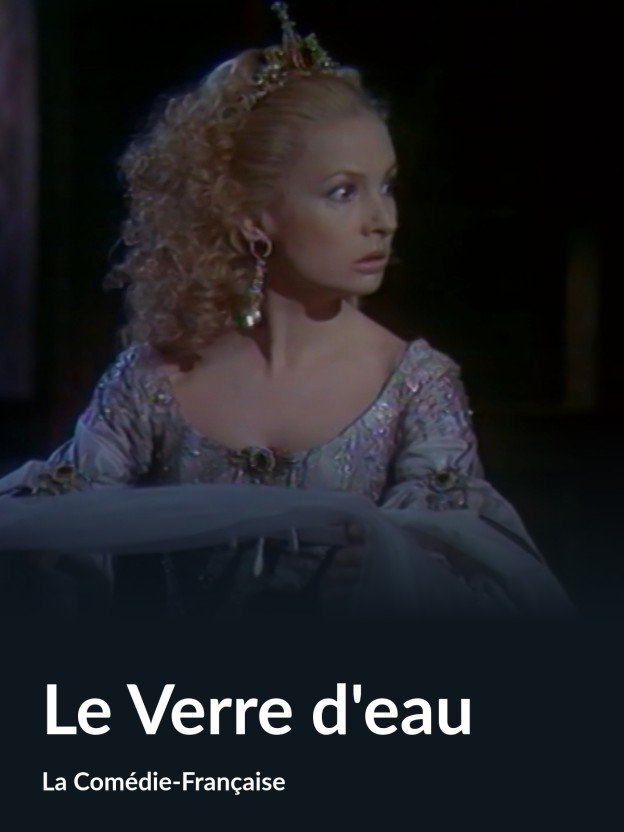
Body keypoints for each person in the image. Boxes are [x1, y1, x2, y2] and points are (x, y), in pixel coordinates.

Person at [0, 3, 572, 619]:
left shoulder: (415, 387)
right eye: (343, 192)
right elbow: (53, 539)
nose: (383, 220)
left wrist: (386, 571)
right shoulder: (154, 383)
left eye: (386, 185)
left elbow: (475, 583)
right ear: (253, 217)